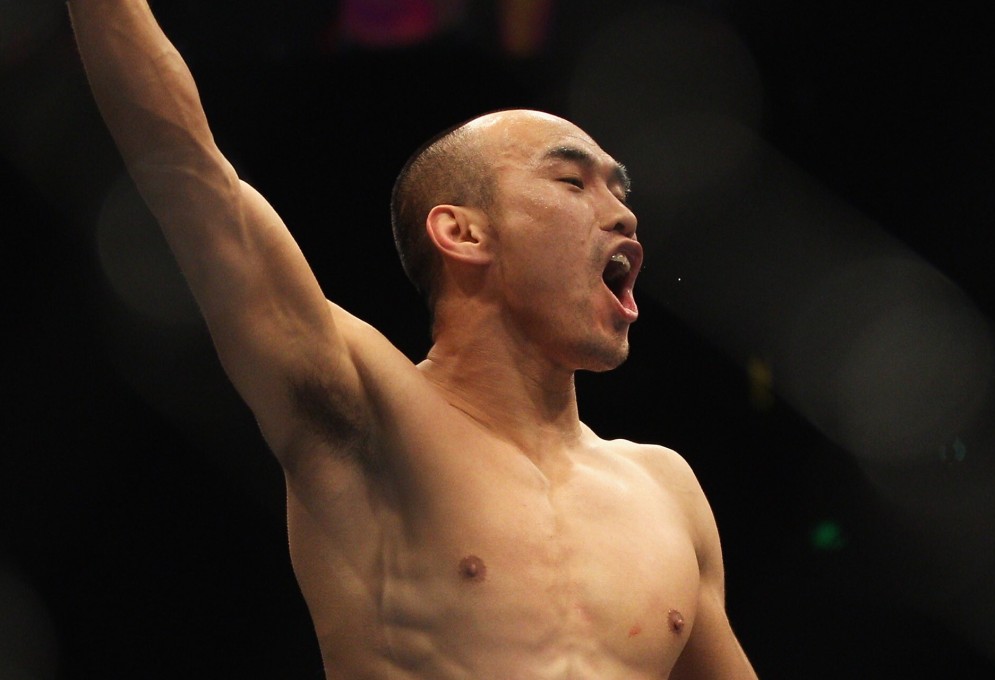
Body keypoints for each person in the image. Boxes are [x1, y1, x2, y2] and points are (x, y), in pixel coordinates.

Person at [68, 1, 758, 678]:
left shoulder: (666, 489)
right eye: (573, 181)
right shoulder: (367, 409)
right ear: (462, 233)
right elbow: (185, 168)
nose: (624, 214)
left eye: (621, 188)